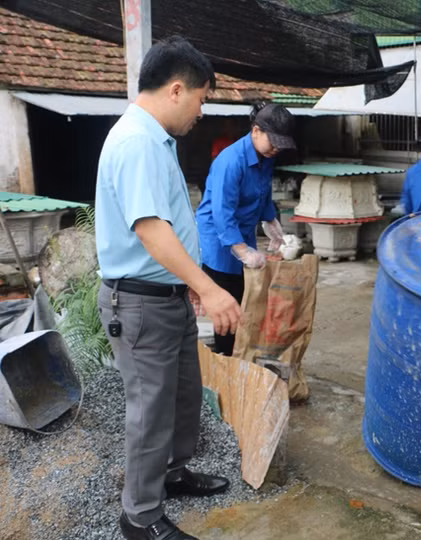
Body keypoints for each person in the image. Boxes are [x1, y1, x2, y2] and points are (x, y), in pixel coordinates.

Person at [96, 37, 242, 540]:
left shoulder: (154, 139)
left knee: (181, 398)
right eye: (202, 99)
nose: (202, 111)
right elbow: (151, 230)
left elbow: (173, 228)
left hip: (167, 296)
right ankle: (139, 516)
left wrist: (190, 286)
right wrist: (213, 288)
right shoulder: (137, 142)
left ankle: (173, 475)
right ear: (177, 89)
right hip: (138, 303)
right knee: (150, 411)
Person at [196, 102, 293, 356]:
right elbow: (222, 214)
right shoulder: (230, 161)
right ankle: (227, 358)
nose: (276, 148)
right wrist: (242, 250)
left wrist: (270, 220)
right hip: (219, 238)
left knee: (246, 295)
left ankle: (241, 353)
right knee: (228, 302)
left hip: (244, 230)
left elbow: (264, 191)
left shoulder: (266, 156)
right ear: (256, 131)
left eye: (281, 144)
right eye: (273, 141)